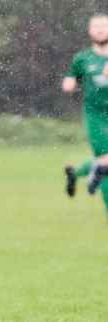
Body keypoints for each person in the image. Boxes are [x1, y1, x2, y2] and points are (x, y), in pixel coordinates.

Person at [62, 14, 108, 211]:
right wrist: (70, 84)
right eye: (95, 26)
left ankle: (77, 172)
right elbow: (69, 81)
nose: (99, 29)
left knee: (104, 163)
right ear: (89, 31)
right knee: (105, 161)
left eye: (103, 26)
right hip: (95, 115)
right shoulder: (82, 58)